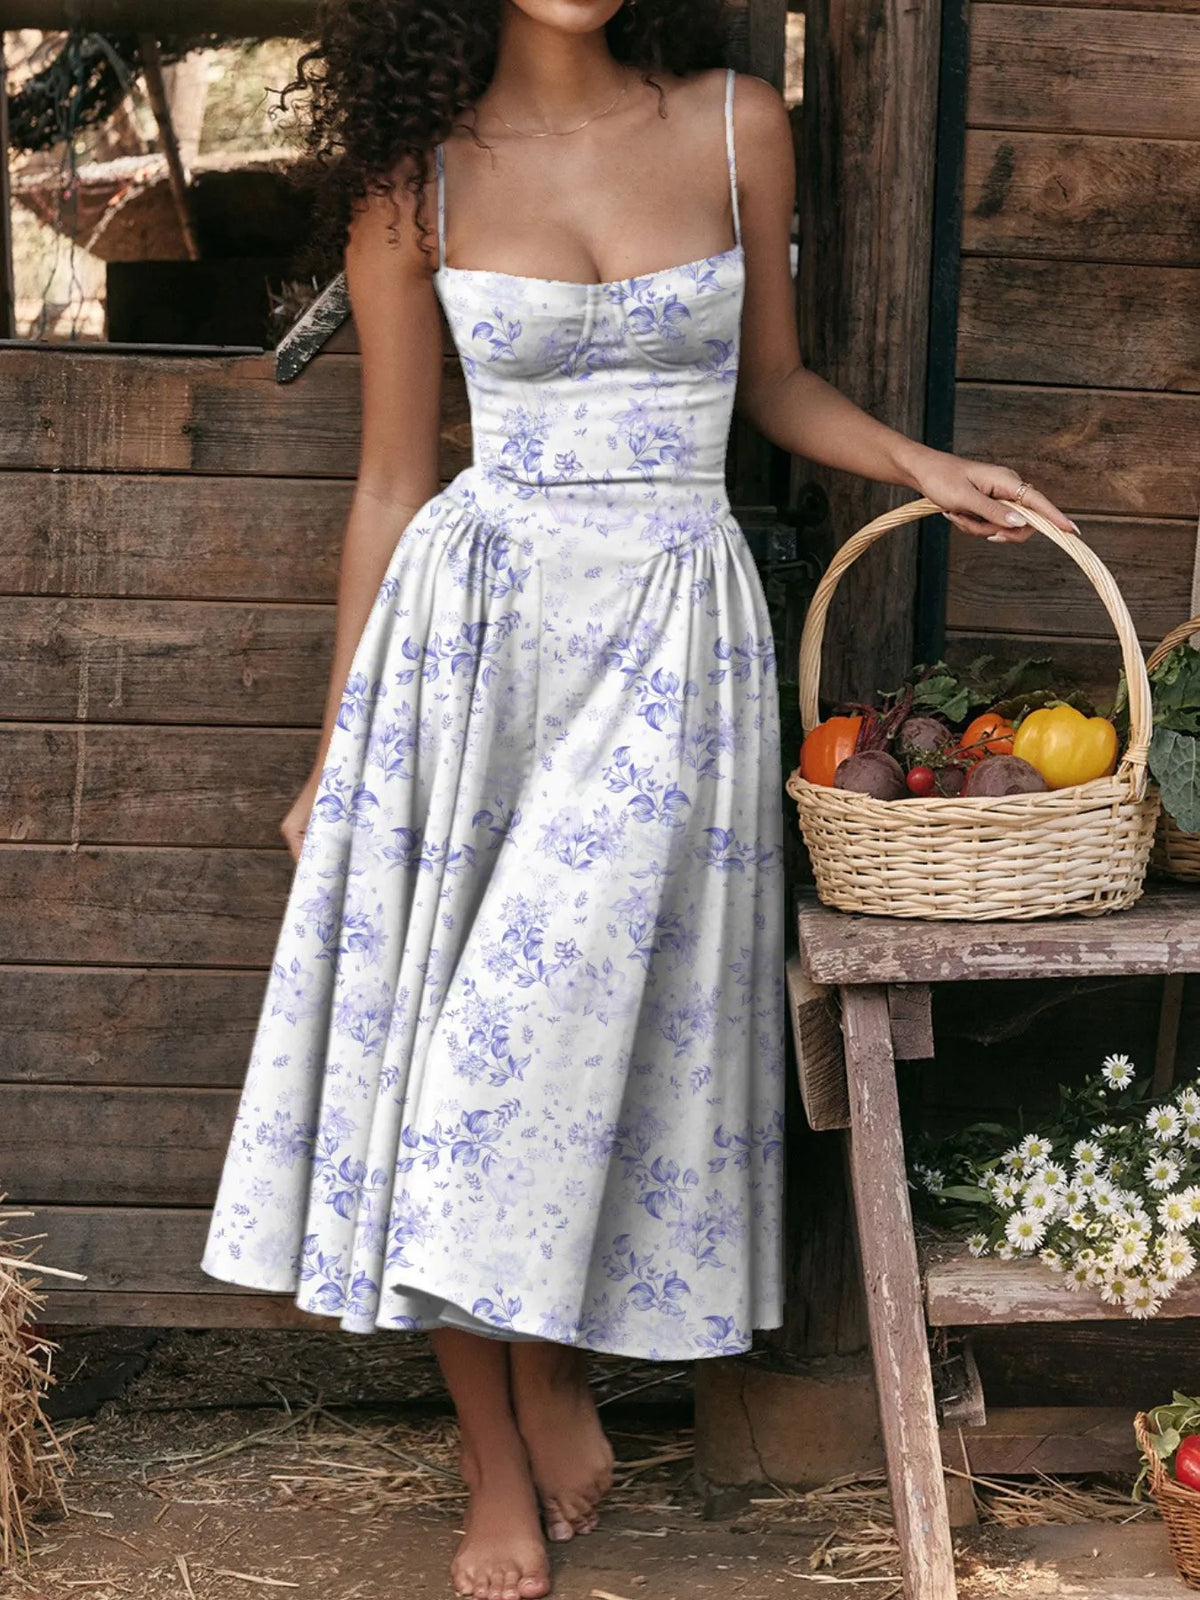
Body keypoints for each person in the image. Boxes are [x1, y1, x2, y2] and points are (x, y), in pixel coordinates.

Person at [201, 3, 1076, 1597]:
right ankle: (496, 1451)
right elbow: (395, 480)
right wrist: (339, 748)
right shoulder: (418, 184)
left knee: (568, 1037)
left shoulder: (737, 122)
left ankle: (550, 1369)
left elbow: (780, 387)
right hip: (473, 655)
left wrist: (922, 465)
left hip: (676, 643)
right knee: (450, 1053)